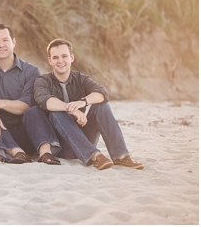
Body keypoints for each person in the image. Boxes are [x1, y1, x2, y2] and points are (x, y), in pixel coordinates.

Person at [32, 38, 143, 170]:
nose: (60, 61)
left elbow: (102, 93)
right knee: (56, 114)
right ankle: (95, 156)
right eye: (55, 57)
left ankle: (121, 156)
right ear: (50, 60)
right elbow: (44, 100)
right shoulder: (42, 80)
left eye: (64, 56)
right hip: (62, 146)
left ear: (71, 58)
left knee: (101, 105)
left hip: (84, 139)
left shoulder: (80, 78)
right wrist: (72, 109)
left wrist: (83, 102)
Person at [0, 24, 61, 164]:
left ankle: (45, 154)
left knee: (33, 111)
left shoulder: (31, 71)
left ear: (13, 42)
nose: (1, 45)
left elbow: (26, 105)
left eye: (5, 40)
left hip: (25, 133)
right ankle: (17, 153)